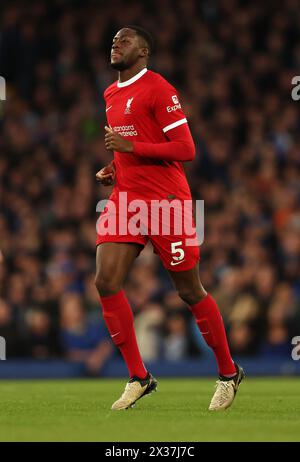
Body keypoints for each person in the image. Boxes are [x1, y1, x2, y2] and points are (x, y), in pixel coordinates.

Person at [95, 25, 244, 411]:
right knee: (105, 280)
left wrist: (131, 147)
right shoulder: (111, 92)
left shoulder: (160, 89)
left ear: (143, 52)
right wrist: (116, 164)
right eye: (114, 40)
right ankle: (138, 377)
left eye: (124, 40)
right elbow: (132, 147)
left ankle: (229, 373)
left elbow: (186, 148)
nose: (116, 44)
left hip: (166, 203)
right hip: (126, 199)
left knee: (189, 291)